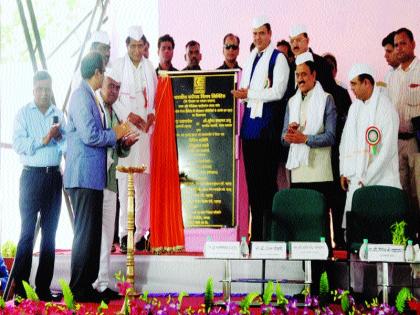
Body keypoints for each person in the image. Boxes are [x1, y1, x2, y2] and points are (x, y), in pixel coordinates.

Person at [64, 52, 130, 302]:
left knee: (91, 235)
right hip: (82, 176)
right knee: (84, 234)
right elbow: (91, 136)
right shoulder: (81, 96)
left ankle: (87, 285)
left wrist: (116, 135)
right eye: (103, 73)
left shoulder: (88, 96)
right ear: (97, 73)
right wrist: (115, 133)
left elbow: (95, 133)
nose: (104, 78)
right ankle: (79, 286)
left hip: (92, 177)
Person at [231, 16, 290, 241]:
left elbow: (277, 92)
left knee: (267, 187)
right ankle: (256, 237)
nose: (258, 37)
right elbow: (249, 91)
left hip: (267, 130)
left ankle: (270, 237)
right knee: (254, 189)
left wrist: (249, 94)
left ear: (270, 34)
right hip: (250, 130)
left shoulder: (279, 59)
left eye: (261, 33)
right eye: (254, 33)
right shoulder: (251, 57)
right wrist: (245, 94)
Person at [12, 70, 65, 301]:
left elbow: (66, 146)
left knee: (50, 235)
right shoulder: (23, 114)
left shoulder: (58, 114)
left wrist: (61, 137)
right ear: (33, 90)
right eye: (40, 89)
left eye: (47, 89)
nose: (44, 93)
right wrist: (43, 139)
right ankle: (22, 289)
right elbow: (18, 144)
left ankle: (43, 289)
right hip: (31, 178)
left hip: (53, 178)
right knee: (26, 234)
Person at [93, 68, 139, 300]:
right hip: (94, 180)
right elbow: (95, 139)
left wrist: (126, 142)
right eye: (111, 86)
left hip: (110, 181)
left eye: (117, 88)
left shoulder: (114, 112)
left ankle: (103, 281)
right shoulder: (96, 108)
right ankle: (92, 282)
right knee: (93, 234)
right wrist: (116, 133)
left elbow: (118, 149)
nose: (114, 91)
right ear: (101, 83)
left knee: (107, 235)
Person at [112, 25, 157, 253]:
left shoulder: (149, 67)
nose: (137, 50)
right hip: (127, 130)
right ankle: (123, 233)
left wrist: (150, 115)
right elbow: (112, 98)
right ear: (127, 46)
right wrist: (129, 116)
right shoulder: (118, 66)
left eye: (140, 46)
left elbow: (155, 100)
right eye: (133, 46)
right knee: (124, 185)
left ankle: (139, 233)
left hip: (145, 132)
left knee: (142, 187)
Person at [340, 63, 401, 224]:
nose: (351, 88)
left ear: (366, 83)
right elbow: (345, 141)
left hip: (382, 179)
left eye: (354, 83)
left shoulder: (386, 109)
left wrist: (367, 178)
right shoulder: (355, 108)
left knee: (380, 230)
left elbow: (387, 151)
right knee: (357, 231)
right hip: (356, 181)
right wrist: (343, 171)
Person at [282, 52, 336, 230]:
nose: (300, 79)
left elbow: (331, 136)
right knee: (301, 221)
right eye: (297, 75)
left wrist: (305, 139)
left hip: (320, 172)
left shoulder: (326, 99)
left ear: (314, 75)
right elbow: (283, 139)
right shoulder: (292, 102)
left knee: (319, 222)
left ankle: (324, 257)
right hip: (298, 173)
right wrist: (289, 135)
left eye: (304, 74)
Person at [387, 28, 420, 238]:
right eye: (396, 44)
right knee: (402, 194)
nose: (399, 48)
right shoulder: (392, 76)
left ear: (413, 44)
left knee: (418, 194)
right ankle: (405, 241)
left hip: (416, 143)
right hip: (396, 143)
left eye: (403, 43)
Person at [322, 52, 352, 248]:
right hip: (319, 158)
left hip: (338, 156)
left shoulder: (342, 94)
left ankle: (340, 244)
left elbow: (348, 127)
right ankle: (323, 245)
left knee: (338, 204)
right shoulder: (316, 94)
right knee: (322, 205)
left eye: (330, 67)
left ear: (334, 70)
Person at [289, 25, 336, 95]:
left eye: (298, 40)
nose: (295, 44)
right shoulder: (291, 65)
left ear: (307, 41)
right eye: (292, 41)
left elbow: (329, 91)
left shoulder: (321, 63)